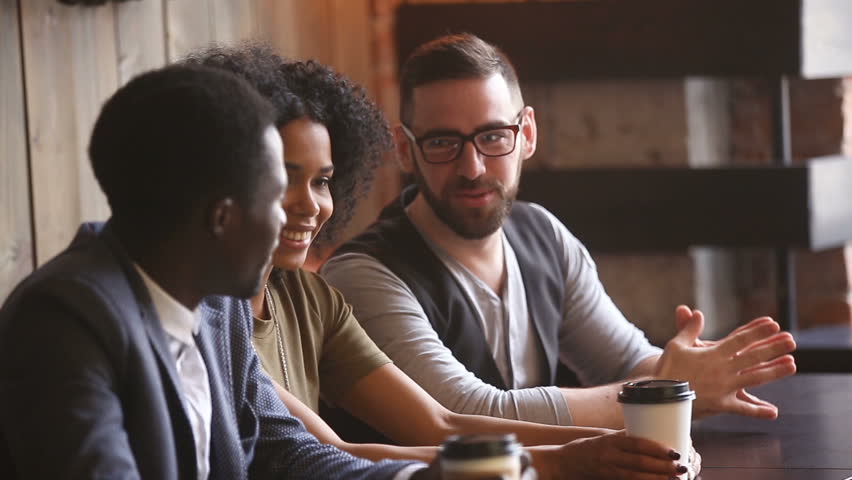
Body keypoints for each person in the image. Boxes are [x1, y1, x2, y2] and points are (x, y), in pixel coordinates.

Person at [185, 44, 696, 480]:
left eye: (321, 181)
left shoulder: (312, 298)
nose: (310, 203)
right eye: (284, 178)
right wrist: (566, 461)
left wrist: (621, 447)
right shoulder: (211, 316)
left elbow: (439, 423)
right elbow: (331, 457)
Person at [322, 33, 798, 429]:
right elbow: (468, 413)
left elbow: (628, 360)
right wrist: (668, 392)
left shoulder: (543, 235)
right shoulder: (363, 276)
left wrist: (700, 372)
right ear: (406, 150)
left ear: (526, 134)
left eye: (493, 137)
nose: (472, 167)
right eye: (443, 142)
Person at [0, 64, 435, 479]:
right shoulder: (64, 322)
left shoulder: (220, 308)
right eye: (274, 195)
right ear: (222, 218)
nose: (291, 219)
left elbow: (284, 454)